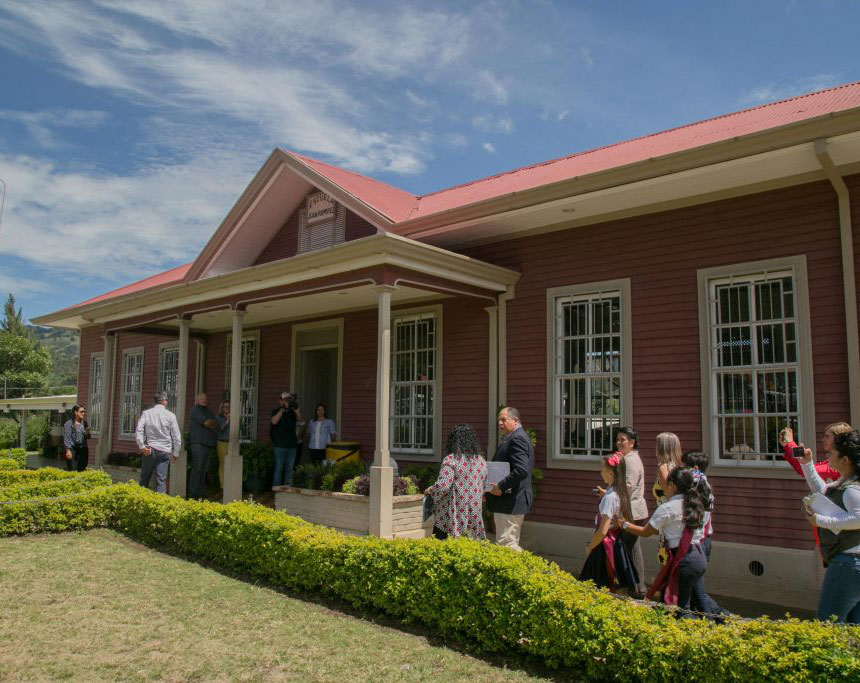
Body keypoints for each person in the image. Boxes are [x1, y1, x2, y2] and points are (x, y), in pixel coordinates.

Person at [621, 467, 715, 618]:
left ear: (672, 485)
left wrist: (624, 524)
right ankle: (712, 628)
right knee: (699, 599)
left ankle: (690, 636)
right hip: (699, 556)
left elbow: (646, 532)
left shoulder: (667, 508)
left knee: (681, 608)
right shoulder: (695, 503)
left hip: (684, 560)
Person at [802, 430, 860, 623]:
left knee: (828, 623)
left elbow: (859, 519)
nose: (828, 454)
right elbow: (823, 490)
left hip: (848, 563)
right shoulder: (845, 482)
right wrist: (807, 464)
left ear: (845, 460)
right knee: (853, 624)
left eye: (832, 452)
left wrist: (819, 521)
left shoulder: (852, 489)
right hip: (851, 561)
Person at [579, 453, 639, 593]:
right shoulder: (620, 492)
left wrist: (590, 547)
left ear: (611, 473)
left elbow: (602, 531)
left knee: (599, 586)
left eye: (602, 470)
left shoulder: (610, 498)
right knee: (616, 586)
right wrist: (606, 493)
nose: (601, 473)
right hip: (617, 543)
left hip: (605, 547)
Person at [424, 423, 488, 540]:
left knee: (443, 550)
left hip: (450, 517)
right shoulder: (481, 461)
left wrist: (431, 490)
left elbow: (443, 486)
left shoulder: (452, 459)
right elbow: (483, 487)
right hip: (474, 515)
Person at [487, 407, 534, 551]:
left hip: (511, 501)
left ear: (515, 420)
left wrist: (500, 486)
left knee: (507, 545)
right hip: (509, 501)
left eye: (504, 419)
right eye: (499, 420)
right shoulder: (513, 437)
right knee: (507, 544)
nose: (500, 423)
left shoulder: (517, 438)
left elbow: (521, 470)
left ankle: (528, 570)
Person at [615, 426, 649, 595]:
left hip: (632, 511)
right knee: (630, 548)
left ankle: (637, 586)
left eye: (623, 440)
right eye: (618, 439)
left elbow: (627, 486)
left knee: (631, 548)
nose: (619, 442)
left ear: (632, 442)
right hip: (631, 509)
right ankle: (635, 585)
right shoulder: (627, 458)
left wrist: (612, 498)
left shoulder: (631, 460)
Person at [136, 391, 182, 494]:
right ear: (164, 401)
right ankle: (160, 504)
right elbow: (176, 436)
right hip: (165, 451)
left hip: (149, 449)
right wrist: (176, 453)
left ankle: (140, 503)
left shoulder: (146, 413)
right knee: (161, 480)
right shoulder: (171, 416)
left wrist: (141, 446)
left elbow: (139, 430)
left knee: (144, 479)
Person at [779, 423, 850, 482]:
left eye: (827, 436)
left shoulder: (841, 464)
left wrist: (790, 443)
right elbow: (805, 469)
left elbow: (806, 471)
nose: (823, 439)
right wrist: (786, 445)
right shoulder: (837, 460)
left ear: (838, 439)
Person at [188, 392, 218, 499]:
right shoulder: (195, 410)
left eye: (205, 398)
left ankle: (201, 492)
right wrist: (210, 423)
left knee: (203, 470)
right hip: (198, 444)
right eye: (201, 398)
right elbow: (208, 423)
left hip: (207, 444)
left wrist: (211, 423)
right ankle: (193, 494)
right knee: (197, 468)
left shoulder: (207, 411)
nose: (204, 400)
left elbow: (215, 423)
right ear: (197, 400)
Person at [270, 391, 301, 487]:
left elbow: (300, 420)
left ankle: (287, 491)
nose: (287, 401)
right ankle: (277, 491)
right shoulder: (276, 411)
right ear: (280, 401)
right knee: (279, 469)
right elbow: (274, 422)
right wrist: (282, 410)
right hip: (279, 445)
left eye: (289, 399)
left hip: (292, 446)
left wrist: (296, 412)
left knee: (289, 469)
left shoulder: (292, 413)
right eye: (285, 400)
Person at [653, 432, 682, 505]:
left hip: (667, 510)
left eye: (657, 445)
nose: (655, 447)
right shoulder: (679, 465)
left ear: (662, 448)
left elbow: (669, 493)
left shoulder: (664, 467)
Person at [62, 405, 89, 472]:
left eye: (84, 412)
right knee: (73, 469)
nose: (83, 413)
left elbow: (87, 437)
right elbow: (67, 437)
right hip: (72, 449)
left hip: (83, 449)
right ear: (76, 412)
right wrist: (68, 450)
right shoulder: (69, 423)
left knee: (82, 469)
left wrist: (87, 433)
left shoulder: (84, 423)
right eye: (81, 411)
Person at [215, 400, 230, 489]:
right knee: (223, 464)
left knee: (230, 464)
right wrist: (228, 419)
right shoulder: (218, 417)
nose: (227, 408)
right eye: (225, 406)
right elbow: (222, 427)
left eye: (229, 406)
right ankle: (223, 486)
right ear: (222, 408)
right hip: (222, 443)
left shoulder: (233, 417)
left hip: (231, 443)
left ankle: (230, 483)